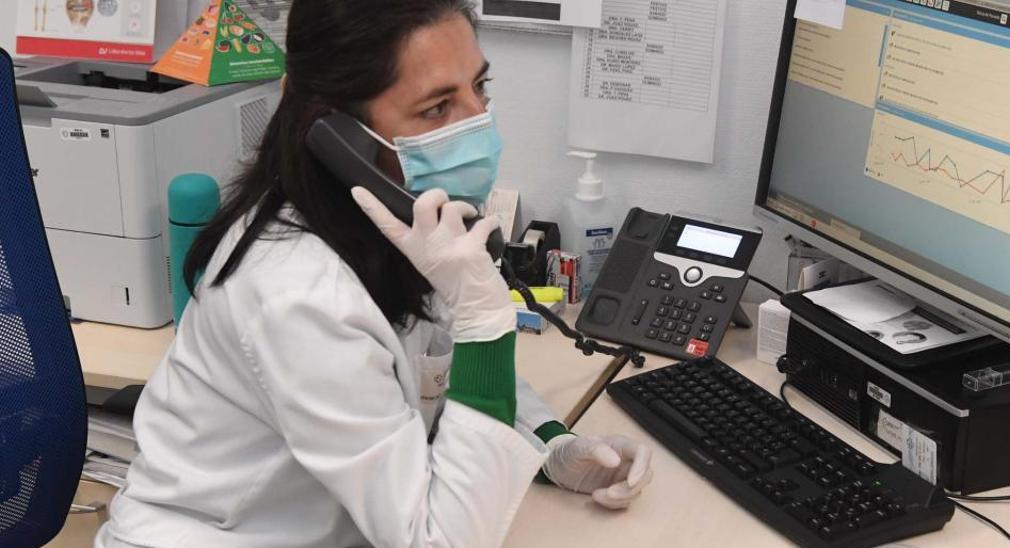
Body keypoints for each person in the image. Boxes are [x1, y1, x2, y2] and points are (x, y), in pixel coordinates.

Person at [96, 1, 653, 546]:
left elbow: (438, 366)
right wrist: (486, 320)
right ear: (339, 136)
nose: (476, 124)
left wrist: (551, 445)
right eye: (436, 108)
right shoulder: (296, 294)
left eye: (478, 89)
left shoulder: (395, 224)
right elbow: (437, 540)